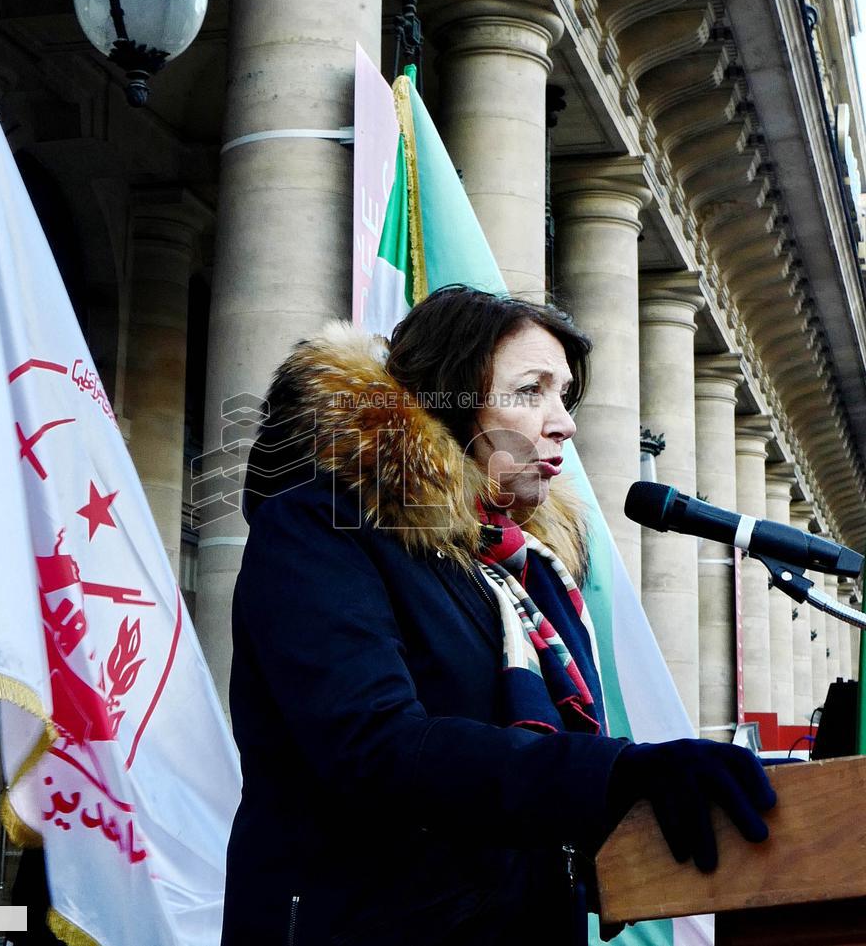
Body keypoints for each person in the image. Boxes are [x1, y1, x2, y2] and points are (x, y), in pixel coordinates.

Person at [222, 285, 776, 946]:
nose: (563, 420)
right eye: (530, 390)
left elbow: (546, 789)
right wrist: (616, 772)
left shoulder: (534, 571)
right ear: (447, 402)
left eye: (564, 395)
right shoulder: (320, 528)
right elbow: (375, 749)